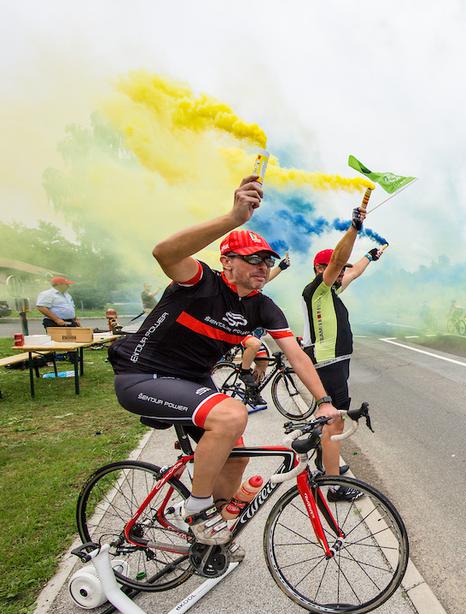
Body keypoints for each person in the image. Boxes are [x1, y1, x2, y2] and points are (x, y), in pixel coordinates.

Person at [109, 175, 341, 553]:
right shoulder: (201, 281)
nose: (262, 267)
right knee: (232, 414)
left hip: (191, 383)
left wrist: (324, 402)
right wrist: (234, 218)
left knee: (238, 459)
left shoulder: (262, 304)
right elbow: (164, 253)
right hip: (143, 376)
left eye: (266, 261)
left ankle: (209, 537)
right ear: (227, 262)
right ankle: (198, 508)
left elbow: (295, 354)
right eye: (252, 260)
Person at [301, 216, 386, 502]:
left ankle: (324, 460)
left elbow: (352, 272)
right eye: (335, 269)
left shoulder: (331, 289)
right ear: (319, 269)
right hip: (327, 362)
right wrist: (354, 230)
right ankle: (334, 484)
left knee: (328, 418)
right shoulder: (317, 289)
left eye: (340, 271)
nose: (341, 274)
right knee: (334, 422)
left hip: (334, 362)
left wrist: (369, 256)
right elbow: (339, 261)